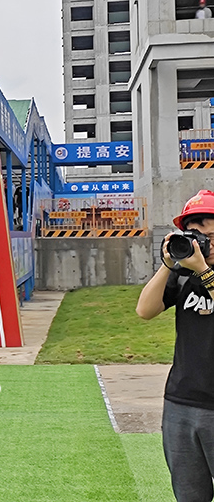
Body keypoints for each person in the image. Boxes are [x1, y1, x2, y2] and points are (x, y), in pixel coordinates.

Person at [136, 190, 214, 501]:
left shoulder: (199, 273)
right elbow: (145, 310)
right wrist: (168, 264)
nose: (206, 243)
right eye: (199, 236)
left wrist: (204, 271)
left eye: (212, 235)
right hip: (182, 402)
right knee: (189, 495)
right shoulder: (183, 277)